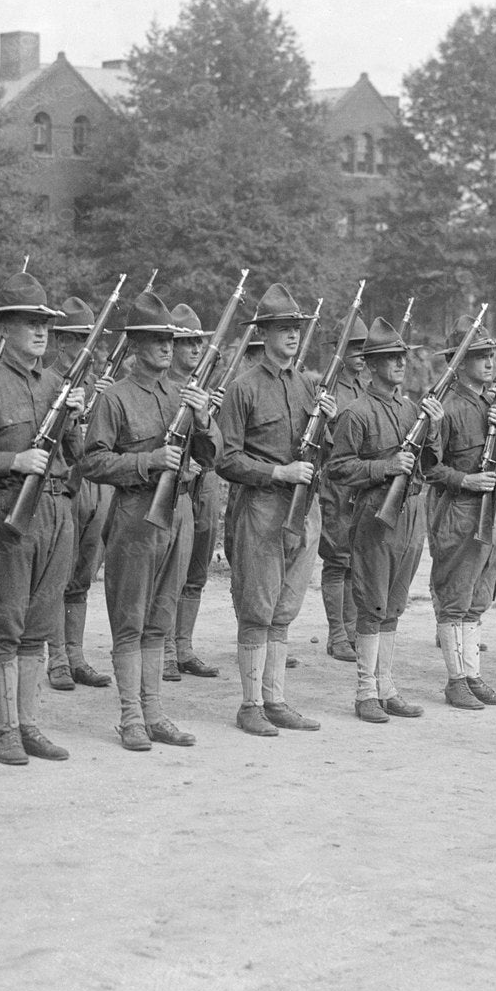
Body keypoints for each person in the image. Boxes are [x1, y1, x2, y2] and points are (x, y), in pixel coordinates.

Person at [0, 271, 88, 766]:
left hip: (56, 510)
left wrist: (77, 417)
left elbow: (81, 457)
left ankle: (31, 725)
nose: (41, 331)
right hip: (10, 509)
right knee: (7, 622)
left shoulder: (57, 385)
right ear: (5, 328)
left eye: (45, 323)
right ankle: (7, 730)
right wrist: (13, 462)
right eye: (30, 322)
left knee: (40, 624)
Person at [77, 290, 215, 750]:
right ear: (134, 345)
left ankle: (155, 712)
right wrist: (147, 461)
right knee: (130, 619)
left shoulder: (181, 394)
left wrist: (203, 418)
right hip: (136, 517)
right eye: (155, 339)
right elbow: (92, 462)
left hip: (178, 515)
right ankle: (131, 717)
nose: (165, 346)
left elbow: (210, 457)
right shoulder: (115, 399)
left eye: (168, 339)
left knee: (160, 617)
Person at [213, 284, 335, 736]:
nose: (292, 336)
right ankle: (249, 705)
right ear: (262, 333)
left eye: (296, 329)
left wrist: (330, 419)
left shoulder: (307, 386)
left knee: (284, 609)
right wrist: (277, 473)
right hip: (262, 508)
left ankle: (276, 699)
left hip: (304, 511)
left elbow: (327, 454)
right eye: (283, 329)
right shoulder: (242, 389)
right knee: (257, 607)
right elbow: (225, 459)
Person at [327, 317, 445, 722]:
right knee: (371, 602)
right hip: (376, 512)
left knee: (394, 604)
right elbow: (338, 469)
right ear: (371, 365)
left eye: (401, 357)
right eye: (389, 358)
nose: (399, 364)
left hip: (409, 511)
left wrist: (434, 428)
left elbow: (428, 463)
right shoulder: (356, 413)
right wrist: (384, 466)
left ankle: (387, 687)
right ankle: (365, 692)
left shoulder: (411, 408)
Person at [419, 313, 496, 710]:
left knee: (478, 597)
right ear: (458, 364)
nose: (489, 362)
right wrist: (465, 481)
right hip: (459, 508)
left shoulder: (495, 405)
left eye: (491, 354)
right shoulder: (446, 407)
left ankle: (472, 675)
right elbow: (428, 466)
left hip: (493, 507)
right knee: (456, 595)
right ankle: (455, 680)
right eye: (480, 356)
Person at [48, 297, 115, 692]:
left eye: (89, 338)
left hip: (97, 485)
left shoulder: (97, 383)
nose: (85, 347)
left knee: (83, 576)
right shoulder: (47, 380)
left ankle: (75, 655)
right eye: (76, 339)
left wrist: (99, 399)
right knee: (58, 574)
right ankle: (56, 659)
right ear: (61, 341)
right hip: (65, 484)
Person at [168, 302, 226, 679]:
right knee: (168, 575)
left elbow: (218, 450)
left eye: (199, 343)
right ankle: (163, 649)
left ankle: (184, 647)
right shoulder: (163, 388)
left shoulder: (204, 391)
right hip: (175, 490)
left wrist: (210, 417)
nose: (195, 349)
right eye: (187, 342)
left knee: (196, 574)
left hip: (205, 489)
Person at [316, 316, 372, 664]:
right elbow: (322, 439)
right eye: (354, 347)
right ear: (339, 350)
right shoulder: (326, 387)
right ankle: (337, 634)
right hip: (336, 484)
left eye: (365, 348)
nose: (362, 354)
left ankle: (351, 630)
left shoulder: (363, 388)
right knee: (337, 560)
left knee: (355, 559)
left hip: (360, 483)